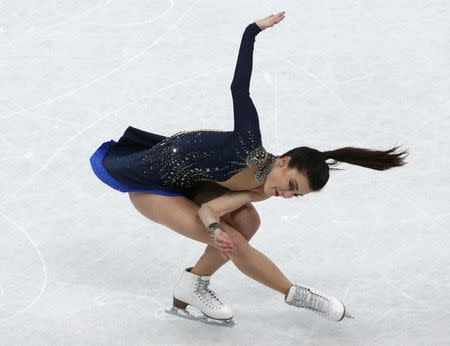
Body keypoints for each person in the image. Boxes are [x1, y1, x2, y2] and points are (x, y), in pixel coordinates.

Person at [89, 11, 408, 327]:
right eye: (292, 185)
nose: (285, 195)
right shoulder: (247, 145)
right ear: (284, 161)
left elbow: (212, 208)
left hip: (188, 184)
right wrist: (251, 32)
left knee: (246, 220)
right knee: (235, 241)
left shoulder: (261, 189)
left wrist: (215, 229)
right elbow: (239, 89)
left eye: (294, 196)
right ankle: (299, 295)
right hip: (149, 185)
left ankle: (193, 284)